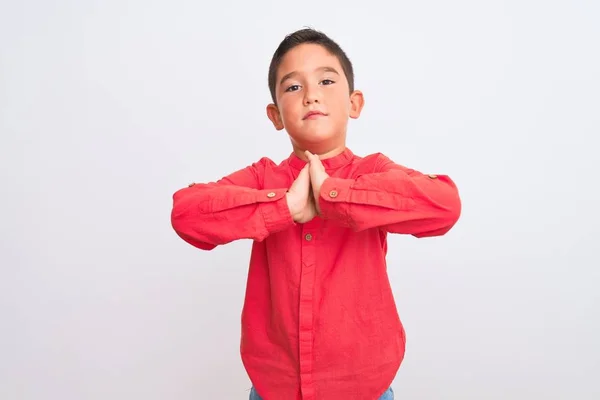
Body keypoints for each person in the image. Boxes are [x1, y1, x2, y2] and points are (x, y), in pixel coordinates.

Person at [171, 28, 461, 400]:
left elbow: (443, 206)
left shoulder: (371, 172)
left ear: (354, 104)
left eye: (326, 80)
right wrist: (284, 207)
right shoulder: (263, 178)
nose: (311, 96)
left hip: (365, 389)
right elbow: (187, 214)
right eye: (293, 87)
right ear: (275, 115)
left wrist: (332, 196)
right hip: (274, 388)